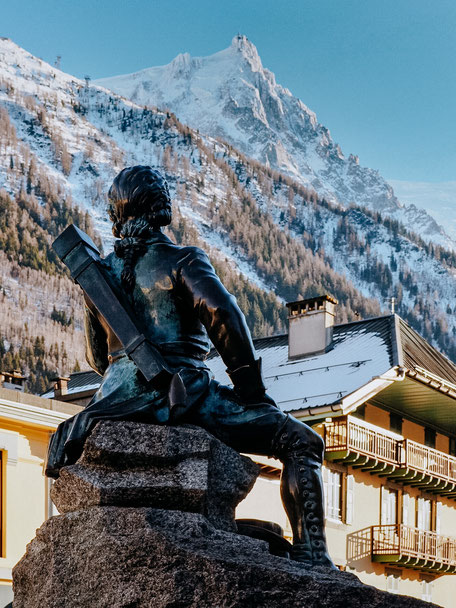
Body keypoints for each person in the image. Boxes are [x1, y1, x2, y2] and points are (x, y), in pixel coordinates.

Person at [46, 165, 336, 569]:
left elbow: (97, 359)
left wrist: (122, 371)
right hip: (185, 394)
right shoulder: (182, 260)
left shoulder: (99, 275)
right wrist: (252, 392)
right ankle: (314, 555)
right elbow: (224, 315)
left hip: (112, 402)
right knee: (303, 442)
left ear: (117, 216)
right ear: (161, 208)